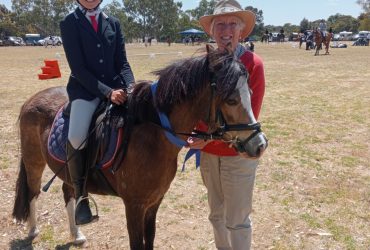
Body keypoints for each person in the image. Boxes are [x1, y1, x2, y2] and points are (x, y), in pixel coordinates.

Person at [189, 0, 265, 249]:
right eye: (220, 24)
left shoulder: (253, 64)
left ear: (241, 31)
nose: (226, 30)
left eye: (233, 23)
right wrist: (195, 135)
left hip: (238, 155)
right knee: (216, 216)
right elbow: (197, 108)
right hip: (209, 155)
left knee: (237, 221)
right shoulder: (202, 64)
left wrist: (208, 138)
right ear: (211, 31)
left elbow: (247, 119)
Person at [60, 0, 135, 225]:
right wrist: (108, 92)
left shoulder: (113, 22)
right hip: (86, 91)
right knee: (76, 136)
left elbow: (122, 61)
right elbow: (78, 68)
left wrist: (131, 86)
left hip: (118, 87)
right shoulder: (69, 23)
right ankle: (82, 196)